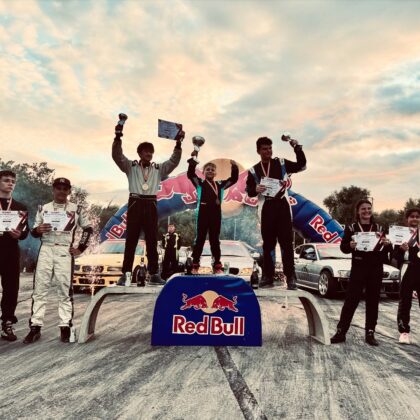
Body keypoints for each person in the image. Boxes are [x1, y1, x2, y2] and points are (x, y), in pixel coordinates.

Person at [112, 120, 183, 286]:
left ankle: (154, 273)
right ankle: (126, 274)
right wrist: (118, 136)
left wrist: (178, 143)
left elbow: (173, 162)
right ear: (140, 153)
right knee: (131, 240)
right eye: (146, 151)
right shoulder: (130, 166)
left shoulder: (158, 169)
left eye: (151, 152)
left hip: (151, 203)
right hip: (135, 202)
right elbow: (117, 156)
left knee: (152, 239)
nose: (149, 154)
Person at [23, 178, 93, 344]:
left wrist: (80, 248)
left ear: (69, 191)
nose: (61, 191)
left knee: (64, 289)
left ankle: (65, 326)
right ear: (53, 190)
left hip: (64, 250)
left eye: (65, 188)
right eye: (58, 188)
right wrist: (38, 230)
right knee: (40, 289)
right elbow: (34, 231)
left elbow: (88, 228)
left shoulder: (76, 209)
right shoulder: (43, 208)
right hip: (46, 248)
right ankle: (35, 327)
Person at [246, 136, 306, 289]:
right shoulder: (253, 170)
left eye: (270, 148)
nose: (268, 151)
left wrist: (297, 148)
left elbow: (302, 165)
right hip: (267, 207)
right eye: (265, 149)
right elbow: (249, 191)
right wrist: (255, 189)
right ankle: (267, 276)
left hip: (282, 205)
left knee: (286, 243)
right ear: (258, 151)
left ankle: (290, 277)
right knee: (268, 245)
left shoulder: (281, 163)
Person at [331, 199, 390, 346]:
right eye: (363, 209)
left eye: (369, 208)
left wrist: (387, 245)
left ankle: (370, 333)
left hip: (375, 269)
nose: (366, 211)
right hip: (358, 268)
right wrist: (350, 245)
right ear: (358, 211)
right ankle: (341, 332)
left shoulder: (379, 227)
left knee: (373, 302)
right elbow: (343, 248)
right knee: (351, 301)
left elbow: (387, 250)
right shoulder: (351, 228)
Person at [187, 154, 238, 274]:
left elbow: (233, 180)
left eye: (212, 170)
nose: (210, 171)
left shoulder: (220, 185)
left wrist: (234, 167)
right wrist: (193, 162)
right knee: (200, 240)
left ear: (215, 173)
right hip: (202, 214)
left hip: (216, 215)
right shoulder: (199, 183)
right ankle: (195, 264)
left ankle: (217, 265)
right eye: (208, 169)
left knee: (215, 240)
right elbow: (191, 174)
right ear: (203, 172)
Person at [0, 170, 29, 341]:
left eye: (13, 181)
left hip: (11, 251)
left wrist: (20, 234)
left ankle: (7, 323)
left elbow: (25, 232)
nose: (10, 183)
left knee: (11, 289)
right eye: (6, 180)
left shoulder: (20, 207)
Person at [392, 208, 420, 344]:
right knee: (405, 300)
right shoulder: (400, 234)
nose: (415, 219)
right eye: (412, 216)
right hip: (407, 268)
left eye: (417, 217)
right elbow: (394, 256)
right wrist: (401, 250)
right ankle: (404, 332)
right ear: (407, 219)